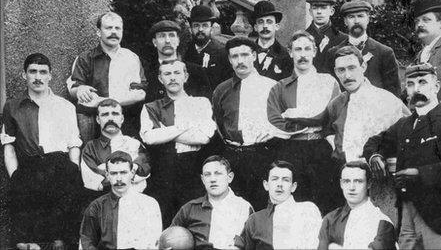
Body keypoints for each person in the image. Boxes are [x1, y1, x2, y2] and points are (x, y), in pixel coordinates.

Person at [363, 63, 441, 249]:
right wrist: (375, 156)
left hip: (440, 217)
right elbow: (374, 142)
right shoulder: (404, 125)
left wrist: (420, 173)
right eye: (410, 84)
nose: (416, 89)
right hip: (406, 214)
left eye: (423, 82)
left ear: (437, 86)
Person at [1, 53, 83, 249]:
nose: (38, 77)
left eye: (43, 72)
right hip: (29, 168)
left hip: (60, 167)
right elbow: (9, 145)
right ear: (24, 75)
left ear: (50, 76)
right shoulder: (12, 107)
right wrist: (15, 175)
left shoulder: (65, 106)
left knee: (59, 238)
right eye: (32, 72)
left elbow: (74, 144)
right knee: (28, 239)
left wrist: (72, 169)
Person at [267, 30, 340, 214]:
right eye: (298, 49)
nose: (303, 54)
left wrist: (294, 116)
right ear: (290, 52)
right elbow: (275, 119)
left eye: (307, 49)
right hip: (291, 150)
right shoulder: (280, 87)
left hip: (321, 148)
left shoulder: (328, 82)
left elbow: (332, 115)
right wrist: (304, 124)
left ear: (315, 51)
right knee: (293, 204)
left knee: (325, 201)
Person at [140, 60, 216, 228]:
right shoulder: (151, 107)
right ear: (160, 79)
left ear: (186, 76)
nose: (172, 78)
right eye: (167, 74)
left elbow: (204, 137)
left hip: (193, 169)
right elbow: (149, 138)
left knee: (195, 221)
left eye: (177, 73)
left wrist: (165, 131)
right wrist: (186, 126)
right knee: (166, 223)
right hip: (164, 171)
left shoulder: (201, 103)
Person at [212, 37, 278, 211]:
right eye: (234, 56)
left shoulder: (272, 87)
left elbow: (281, 121)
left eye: (244, 55)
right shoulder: (222, 90)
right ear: (229, 59)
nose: (240, 61)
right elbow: (219, 122)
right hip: (232, 156)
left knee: (263, 206)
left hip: (262, 154)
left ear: (254, 56)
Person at [68, 11, 146, 142]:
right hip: (93, 123)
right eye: (109, 28)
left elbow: (140, 93)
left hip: (124, 120)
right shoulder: (85, 58)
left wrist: (108, 101)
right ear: (99, 32)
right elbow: (73, 88)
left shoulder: (131, 58)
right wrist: (80, 90)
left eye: (117, 28)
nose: (114, 32)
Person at [324, 45, 410, 163]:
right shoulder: (335, 104)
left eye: (352, 68)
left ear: (363, 67)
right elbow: (330, 133)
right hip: (346, 172)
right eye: (341, 70)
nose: (347, 76)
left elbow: (405, 133)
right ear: (335, 72)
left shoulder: (387, 100)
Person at [80, 151, 162, 250]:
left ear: (132, 173)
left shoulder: (149, 204)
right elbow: (86, 241)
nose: (119, 178)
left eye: (123, 172)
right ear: (107, 175)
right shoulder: (96, 206)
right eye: (114, 173)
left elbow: (155, 243)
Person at [235, 161, 322, 249]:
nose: (279, 184)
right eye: (274, 179)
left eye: (286, 180)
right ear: (266, 185)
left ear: (293, 187)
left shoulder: (307, 211)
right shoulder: (254, 220)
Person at [171, 155, 253, 249]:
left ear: (230, 177)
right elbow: (169, 238)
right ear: (203, 179)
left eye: (218, 173)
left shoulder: (243, 207)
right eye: (207, 174)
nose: (212, 179)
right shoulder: (189, 208)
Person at [326, 0, 401, 97]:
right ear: (345, 21)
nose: (356, 21)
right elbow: (330, 90)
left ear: (368, 19)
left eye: (360, 16)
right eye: (351, 17)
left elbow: (394, 94)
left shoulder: (384, 52)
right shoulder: (333, 53)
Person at [80, 98, 151, 199]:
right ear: (97, 119)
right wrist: (127, 171)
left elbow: (143, 172)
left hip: (134, 200)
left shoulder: (134, 144)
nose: (110, 119)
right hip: (103, 202)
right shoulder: (90, 148)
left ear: (122, 119)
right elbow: (91, 180)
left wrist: (106, 170)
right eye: (105, 114)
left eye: (115, 114)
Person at [318, 161, 396, 249]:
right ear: (341, 184)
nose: (351, 187)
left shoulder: (382, 222)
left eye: (358, 181)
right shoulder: (330, 219)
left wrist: (333, 247)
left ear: (369, 184)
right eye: (346, 181)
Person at [144, 20, 211, 102]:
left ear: (178, 40)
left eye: (172, 35)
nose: (167, 41)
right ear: (155, 42)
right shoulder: (149, 73)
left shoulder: (196, 72)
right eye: (162, 36)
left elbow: (206, 105)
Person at [184, 5, 232, 89]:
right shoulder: (184, 50)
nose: (200, 29)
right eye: (196, 25)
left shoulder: (222, 52)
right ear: (190, 28)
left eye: (205, 25)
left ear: (211, 28)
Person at [305, 0, 348, 73]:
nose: (319, 12)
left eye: (323, 8)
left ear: (332, 11)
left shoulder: (344, 39)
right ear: (310, 11)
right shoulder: (302, 38)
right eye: (315, 8)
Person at [252, 0, 293, 81]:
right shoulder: (246, 53)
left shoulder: (286, 55)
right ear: (255, 27)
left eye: (269, 22)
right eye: (261, 22)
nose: (265, 26)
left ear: (277, 26)